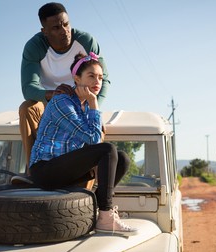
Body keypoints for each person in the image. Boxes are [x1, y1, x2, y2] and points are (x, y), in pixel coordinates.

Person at [29, 52, 137, 236]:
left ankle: (93, 210)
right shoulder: (61, 102)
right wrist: (94, 103)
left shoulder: (85, 106)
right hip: (45, 170)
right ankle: (106, 216)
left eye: (101, 78)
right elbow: (95, 140)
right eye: (91, 76)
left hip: (67, 170)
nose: (97, 81)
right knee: (108, 149)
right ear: (77, 78)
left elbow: (93, 141)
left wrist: (91, 105)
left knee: (123, 158)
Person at [19, 2, 110, 171]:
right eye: (56, 28)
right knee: (27, 108)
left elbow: (104, 80)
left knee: (97, 126)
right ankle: (34, 171)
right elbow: (28, 88)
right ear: (44, 31)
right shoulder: (34, 46)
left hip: (82, 101)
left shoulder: (86, 41)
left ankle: (84, 187)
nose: (64, 31)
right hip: (50, 102)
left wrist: (91, 106)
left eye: (66, 24)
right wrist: (52, 94)